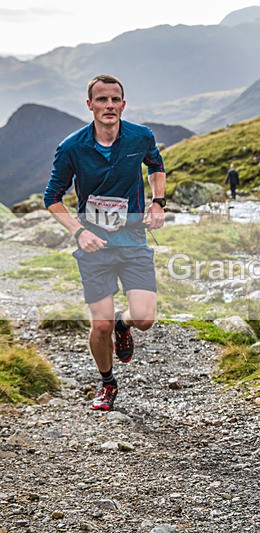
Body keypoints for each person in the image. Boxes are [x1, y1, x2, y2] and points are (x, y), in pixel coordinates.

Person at [44, 74, 166, 412]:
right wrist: (78, 232)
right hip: (93, 244)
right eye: (101, 99)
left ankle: (123, 326)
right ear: (90, 105)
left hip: (132, 240)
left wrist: (158, 201)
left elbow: (156, 166)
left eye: (114, 99)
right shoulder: (71, 147)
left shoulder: (141, 137)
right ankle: (108, 384)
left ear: (123, 104)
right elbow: (52, 197)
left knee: (144, 318)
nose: (108, 105)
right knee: (100, 324)